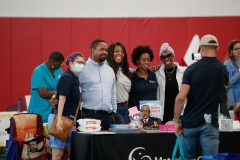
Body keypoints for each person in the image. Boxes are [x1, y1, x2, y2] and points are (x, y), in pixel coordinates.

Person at [173, 34, 229, 159]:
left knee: (187, 158)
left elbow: (180, 98)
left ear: (201, 47)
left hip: (190, 122)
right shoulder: (222, 69)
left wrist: (176, 121)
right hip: (210, 123)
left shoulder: (191, 69)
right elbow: (228, 83)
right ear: (218, 48)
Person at [48, 52, 84, 160]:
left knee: (71, 153)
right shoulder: (67, 77)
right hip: (62, 119)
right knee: (57, 154)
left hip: (70, 121)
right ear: (71, 63)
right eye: (78, 62)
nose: (81, 65)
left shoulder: (75, 78)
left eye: (83, 62)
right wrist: (59, 120)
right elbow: (62, 99)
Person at [78, 39, 117, 130]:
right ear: (92, 50)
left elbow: (113, 93)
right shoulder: (82, 68)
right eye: (101, 49)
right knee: (90, 144)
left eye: (106, 50)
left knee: (106, 144)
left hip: (107, 116)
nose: (104, 52)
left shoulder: (109, 70)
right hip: (88, 115)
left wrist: (114, 111)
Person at [28, 51, 64, 123]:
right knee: (39, 133)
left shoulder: (58, 70)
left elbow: (63, 85)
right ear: (52, 61)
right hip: (39, 111)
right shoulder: (39, 71)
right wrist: (60, 92)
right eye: (59, 64)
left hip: (52, 111)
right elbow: (43, 93)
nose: (60, 66)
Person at [155, 43, 187, 124]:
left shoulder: (184, 71)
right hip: (164, 112)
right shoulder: (157, 74)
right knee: (165, 136)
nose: (166, 58)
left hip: (181, 112)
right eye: (163, 57)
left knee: (180, 135)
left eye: (169, 55)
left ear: (173, 56)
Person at [106, 42, 132, 124]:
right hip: (114, 108)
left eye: (122, 52)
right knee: (123, 134)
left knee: (129, 133)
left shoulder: (124, 69)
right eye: (116, 51)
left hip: (125, 107)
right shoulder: (105, 69)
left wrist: (157, 68)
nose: (120, 53)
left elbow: (140, 71)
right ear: (110, 53)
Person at [128, 45, 158, 110]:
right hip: (136, 116)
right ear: (137, 61)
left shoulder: (153, 76)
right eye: (143, 60)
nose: (147, 62)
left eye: (148, 60)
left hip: (153, 114)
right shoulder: (131, 77)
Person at [223, 39, 240, 110]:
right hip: (235, 101)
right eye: (236, 49)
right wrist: (238, 75)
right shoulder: (227, 64)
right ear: (231, 51)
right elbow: (226, 85)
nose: (239, 50)